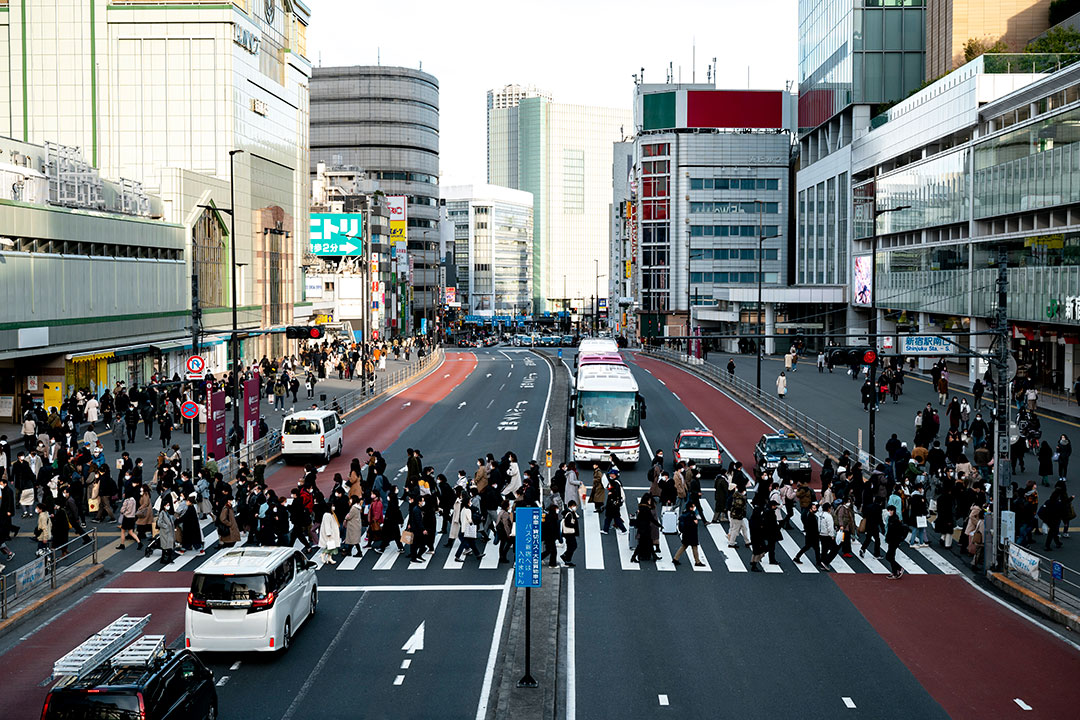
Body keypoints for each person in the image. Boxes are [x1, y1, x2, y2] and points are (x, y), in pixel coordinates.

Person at [672, 501, 705, 567]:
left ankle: (675, 558)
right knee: (694, 547)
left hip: (686, 534)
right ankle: (697, 561)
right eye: (693, 507)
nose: (693, 508)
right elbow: (692, 524)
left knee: (684, 546)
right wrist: (695, 523)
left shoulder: (684, 513)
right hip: (692, 534)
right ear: (690, 507)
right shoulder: (691, 514)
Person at [793, 500, 821, 568]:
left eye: (815, 508)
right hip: (812, 536)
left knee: (808, 547)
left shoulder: (810, 515)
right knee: (816, 548)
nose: (815, 509)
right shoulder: (811, 517)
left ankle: (797, 557)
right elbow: (812, 528)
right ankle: (818, 561)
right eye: (813, 508)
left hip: (810, 535)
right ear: (810, 509)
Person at [884, 505, 908, 579]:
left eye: (891, 510)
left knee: (888, 556)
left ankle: (899, 568)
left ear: (894, 511)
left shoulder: (894, 520)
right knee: (891, 556)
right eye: (889, 510)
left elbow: (895, 531)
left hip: (894, 541)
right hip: (891, 540)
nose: (890, 512)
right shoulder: (891, 519)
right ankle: (894, 572)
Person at [157, 500, 176, 565]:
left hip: (169, 532)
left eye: (169, 505)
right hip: (165, 532)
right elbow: (159, 523)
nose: (168, 506)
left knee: (168, 546)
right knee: (166, 546)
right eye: (167, 505)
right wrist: (166, 526)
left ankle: (168, 559)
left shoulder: (166, 512)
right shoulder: (162, 513)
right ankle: (167, 559)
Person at [561, 501, 579, 567]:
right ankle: (566, 557)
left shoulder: (569, 512)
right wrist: (573, 525)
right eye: (574, 506)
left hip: (569, 533)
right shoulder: (569, 514)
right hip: (569, 533)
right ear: (570, 506)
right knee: (573, 546)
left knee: (571, 546)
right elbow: (567, 523)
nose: (575, 507)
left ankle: (567, 559)